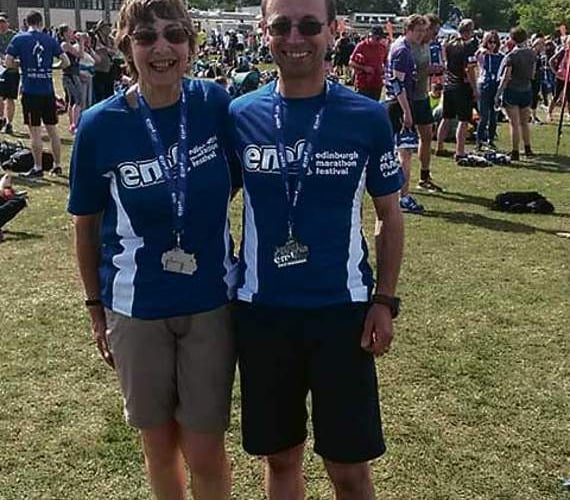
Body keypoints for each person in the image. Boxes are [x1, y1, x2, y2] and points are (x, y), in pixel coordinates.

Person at [230, 0, 405, 498]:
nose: (295, 38)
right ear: (264, 31)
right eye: (282, 25)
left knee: (348, 469)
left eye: (309, 25)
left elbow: (389, 215)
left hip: (342, 314)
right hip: (262, 313)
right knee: (280, 458)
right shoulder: (240, 114)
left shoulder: (367, 116)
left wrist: (384, 300)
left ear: (333, 30)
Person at [68, 0, 240, 498]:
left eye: (174, 35)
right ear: (127, 47)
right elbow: (85, 225)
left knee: (205, 449)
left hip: (209, 300)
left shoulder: (214, 104)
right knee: (159, 446)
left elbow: (235, 179)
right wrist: (95, 308)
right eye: (146, 37)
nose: (162, 48)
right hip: (135, 307)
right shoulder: (100, 125)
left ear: (191, 44)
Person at [5, 10, 69, 177]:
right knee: (52, 130)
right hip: (47, 91)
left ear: (26, 23)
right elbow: (66, 62)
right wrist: (52, 67)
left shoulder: (19, 38)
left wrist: (22, 64)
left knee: (35, 132)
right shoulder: (50, 39)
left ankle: (38, 167)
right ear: (41, 23)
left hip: (31, 91)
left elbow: (8, 62)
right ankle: (57, 165)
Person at [384, 14, 428, 213]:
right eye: (418, 31)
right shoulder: (402, 50)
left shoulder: (400, 47)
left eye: (423, 31)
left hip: (397, 103)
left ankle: (399, 194)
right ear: (408, 30)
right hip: (399, 105)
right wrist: (407, 112)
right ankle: (403, 196)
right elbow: (397, 84)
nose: (421, 35)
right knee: (405, 153)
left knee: (400, 152)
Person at [435, 18, 478, 162]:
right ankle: (460, 151)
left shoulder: (449, 44)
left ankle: (439, 146)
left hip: (449, 85)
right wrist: (474, 88)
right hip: (462, 86)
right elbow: (469, 69)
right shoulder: (468, 46)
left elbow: (447, 63)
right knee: (463, 120)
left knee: (446, 118)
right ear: (469, 31)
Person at [411, 14, 444, 193]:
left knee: (427, 135)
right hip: (408, 98)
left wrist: (432, 71)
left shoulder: (427, 46)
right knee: (402, 143)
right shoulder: (410, 46)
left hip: (422, 96)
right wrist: (429, 70)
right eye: (434, 32)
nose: (435, 36)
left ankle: (424, 176)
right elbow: (409, 73)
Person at [495, 26, 536, 161]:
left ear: (512, 39)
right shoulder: (532, 54)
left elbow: (506, 77)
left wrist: (498, 93)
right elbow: (533, 74)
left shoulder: (511, 56)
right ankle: (528, 148)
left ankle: (515, 151)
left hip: (512, 90)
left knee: (514, 123)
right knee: (524, 123)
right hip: (526, 89)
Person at [475, 31, 503, 150]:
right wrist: (482, 49)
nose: (492, 44)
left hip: (495, 86)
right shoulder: (483, 54)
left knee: (494, 115)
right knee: (484, 116)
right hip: (484, 85)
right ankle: (479, 141)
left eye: (494, 42)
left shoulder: (501, 56)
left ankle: (490, 139)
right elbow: (476, 55)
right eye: (490, 42)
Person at [349, 26, 388, 101]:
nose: (379, 40)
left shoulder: (382, 48)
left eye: (380, 38)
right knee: (361, 105)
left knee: (374, 106)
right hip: (363, 84)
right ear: (371, 36)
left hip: (377, 84)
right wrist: (364, 68)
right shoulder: (361, 46)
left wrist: (384, 71)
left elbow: (386, 63)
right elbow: (351, 62)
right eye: (377, 38)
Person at [58, 24, 84, 134]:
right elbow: (80, 55)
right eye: (70, 31)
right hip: (70, 75)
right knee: (78, 100)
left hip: (72, 75)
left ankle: (72, 124)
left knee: (72, 100)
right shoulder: (65, 45)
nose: (73, 33)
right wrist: (81, 42)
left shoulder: (69, 45)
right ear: (64, 34)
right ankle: (75, 125)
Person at [0, 15, 19, 135]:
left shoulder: (14, 36)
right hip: (0, 71)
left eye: (3, 22)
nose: (1, 25)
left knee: (10, 98)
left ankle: (9, 123)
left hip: (12, 71)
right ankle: (1, 119)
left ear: (8, 23)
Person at [92, 20, 116, 103]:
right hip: (98, 70)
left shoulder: (111, 39)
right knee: (99, 94)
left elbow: (114, 52)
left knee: (109, 93)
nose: (109, 29)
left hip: (109, 69)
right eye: (106, 27)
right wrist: (106, 49)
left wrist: (105, 49)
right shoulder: (95, 39)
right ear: (101, 29)